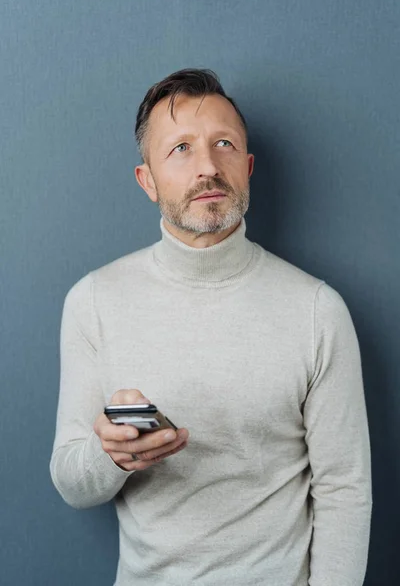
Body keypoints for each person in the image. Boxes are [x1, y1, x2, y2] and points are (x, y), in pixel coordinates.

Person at [50, 68, 372, 586]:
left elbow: (345, 489)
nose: (207, 166)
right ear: (147, 180)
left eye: (223, 144)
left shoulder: (317, 309)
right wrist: (112, 455)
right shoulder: (94, 301)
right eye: (180, 148)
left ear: (245, 167)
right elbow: (71, 481)